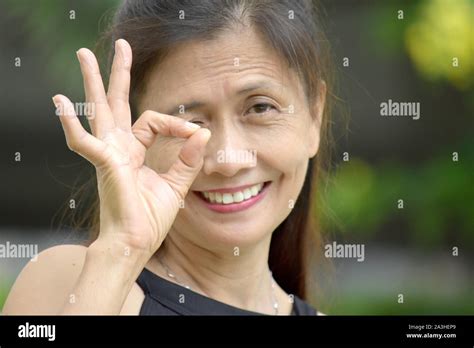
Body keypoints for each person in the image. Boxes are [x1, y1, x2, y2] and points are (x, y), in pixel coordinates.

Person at [4, 0, 332, 315]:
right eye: (189, 121)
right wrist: (121, 251)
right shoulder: (69, 282)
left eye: (260, 107)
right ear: (134, 135)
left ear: (314, 116)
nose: (229, 159)